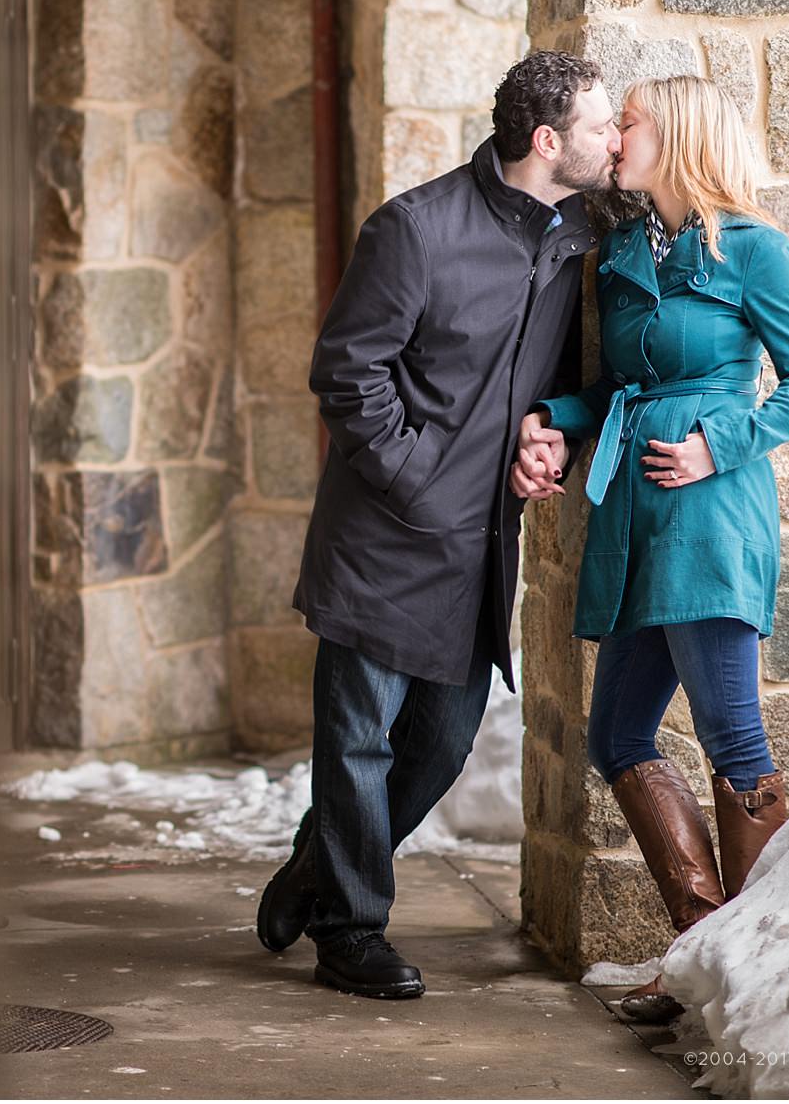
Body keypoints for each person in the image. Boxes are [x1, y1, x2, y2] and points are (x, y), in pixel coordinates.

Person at [256, 50, 618, 999]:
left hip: (480, 547)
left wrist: (551, 445)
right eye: (598, 124)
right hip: (383, 533)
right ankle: (349, 929)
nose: (613, 137)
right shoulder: (414, 230)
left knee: (442, 743)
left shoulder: (577, 236)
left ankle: (312, 869)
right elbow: (346, 374)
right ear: (547, 142)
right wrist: (418, 479)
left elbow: (557, 388)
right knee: (360, 736)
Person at [512, 74, 789, 1022]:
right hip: (633, 525)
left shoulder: (753, 247)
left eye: (633, 122)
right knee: (616, 734)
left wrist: (717, 443)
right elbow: (613, 384)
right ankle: (705, 956)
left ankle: (753, 979)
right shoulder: (619, 251)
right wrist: (550, 419)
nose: (617, 135)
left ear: (681, 135)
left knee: (736, 744)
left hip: (710, 520)